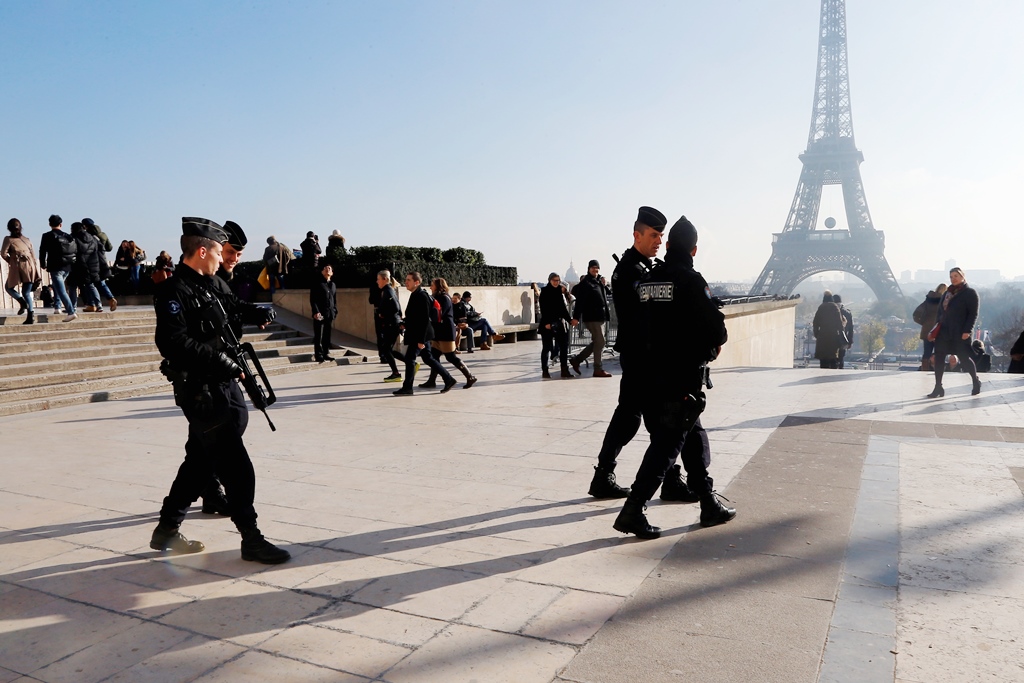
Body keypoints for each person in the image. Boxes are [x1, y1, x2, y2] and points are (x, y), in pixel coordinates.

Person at [149, 217, 288, 564]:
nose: (220, 257)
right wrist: (219, 360)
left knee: (201, 458)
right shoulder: (174, 291)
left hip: (225, 383)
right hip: (202, 390)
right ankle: (251, 537)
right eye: (216, 251)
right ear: (201, 251)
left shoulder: (208, 284)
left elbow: (228, 310)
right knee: (235, 464)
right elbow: (172, 342)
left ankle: (167, 529)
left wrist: (253, 311)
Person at [612, 215, 735, 539]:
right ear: (694, 249)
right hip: (679, 378)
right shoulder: (690, 280)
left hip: (647, 374)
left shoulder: (649, 279)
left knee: (691, 436)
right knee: (668, 443)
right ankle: (633, 509)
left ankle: (708, 502)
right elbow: (717, 330)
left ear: (667, 245)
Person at [587, 206, 671, 500]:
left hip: (646, 354)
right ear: (637, 235)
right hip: (639, 355)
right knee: (632, 417)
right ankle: (604, 475)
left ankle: (669, 478)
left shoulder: (644, 267)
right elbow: (643, 313)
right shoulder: (629, 270)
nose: (658, 241)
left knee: (655, 418)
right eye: (653, 235)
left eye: (661, 235)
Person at [394, 272, 454, 396]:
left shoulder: (422, 296)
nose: (406, 282)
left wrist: (421, 340)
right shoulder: (415, 294)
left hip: (420, 335)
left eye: (409, 280)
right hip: (418, 334)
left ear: (417, 282)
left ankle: (407, 387)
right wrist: (404, 322)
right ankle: (448, 379)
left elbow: (424, 320)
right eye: (406, 280)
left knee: (410, 359)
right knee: (428, 358)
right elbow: (415, 316)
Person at [930, 267, 981, 397]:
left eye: (956, 276)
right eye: (951, 277)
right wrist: (935, 329)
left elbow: (973, 314)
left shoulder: (970, 293)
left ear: (962, 276)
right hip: (944, 331)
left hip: (959, 332)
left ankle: (975, 381)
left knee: (964, 358)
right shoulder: (947, 293)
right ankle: (938, 387)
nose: (953, 279)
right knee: (939, 358)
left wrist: (967, 330)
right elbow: (940, 313)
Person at [421, 278, 477, 390]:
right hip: (437, 332)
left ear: (438, 286)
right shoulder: (437, 297)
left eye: (432, 285)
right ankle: (432, 380)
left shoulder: (444, 298)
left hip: (445, 332)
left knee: (451, 357)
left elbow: (439, 314)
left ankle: (470, 376)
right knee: (434, 356)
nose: (430, 287)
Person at [569, 259, 612, 378]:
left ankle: (577, 360)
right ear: (588, 269)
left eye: (597, 268)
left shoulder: (597, 281)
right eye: (593, 267)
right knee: (601, 341)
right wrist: (576, 317)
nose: (595, 269)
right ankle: (597, 369)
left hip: (600, 316)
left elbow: (606, 293)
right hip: (592, 317)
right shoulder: (586, 283)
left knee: (598, 342)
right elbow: (580, 302)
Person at [38, 214, 78, 322]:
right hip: (68, 266)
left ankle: (71, 312)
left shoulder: (46, 236)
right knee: (57, 285)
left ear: (50, 224)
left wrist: (42, 263)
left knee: (61, 290)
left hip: (55, 266)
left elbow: (42, 251)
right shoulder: (68, 236)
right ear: (61, 224)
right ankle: (57, 306)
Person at [2, 218, 40, 325]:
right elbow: (33, 256)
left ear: (9, 228)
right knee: (27, 292)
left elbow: (3, 253)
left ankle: (22, 302)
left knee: (8, 287)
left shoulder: (8, 239)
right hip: (31, 266)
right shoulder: (27, 239)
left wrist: (12, 262)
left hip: (19, 265)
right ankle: (30, 315)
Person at [538, 273, 574, 379]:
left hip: (559, 323)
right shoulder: (544, 291)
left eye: (558, 280)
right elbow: (543, 309)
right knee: (547, 348)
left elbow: (562, 309)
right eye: (554, 280)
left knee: (563, 347)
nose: (556, 282)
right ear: (549, 280)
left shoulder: (559, 292)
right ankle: (545, 370)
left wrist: (569, 320)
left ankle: (564, 370)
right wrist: (547, 323)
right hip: (547, 324)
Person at [373, 270, 405, 382]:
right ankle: (407, 365)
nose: (377, 281)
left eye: (378, 279)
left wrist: (382, 313)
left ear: (385, 279)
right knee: (387, 349)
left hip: (391, 324)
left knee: (386, 349)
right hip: (392, 323)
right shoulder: (387, 290)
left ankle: (397, 373)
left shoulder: (388, 291)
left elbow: (396, 308)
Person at [82, 218, 118, 310]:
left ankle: (92, 304)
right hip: (102, 260)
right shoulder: (103, 234)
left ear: (85, 226)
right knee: (101, 282)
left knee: (89, 283)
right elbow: (109, 248)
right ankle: (109, 298)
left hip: (92, 261)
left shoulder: (87, 235)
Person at [69, 221, 103, 312]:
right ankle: (99, 305)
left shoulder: (72, 238)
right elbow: (98, 249)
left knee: (72, 286)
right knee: (90, 285)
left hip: (76, 265)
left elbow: (70, 251)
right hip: (90, 265)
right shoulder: (92, 238)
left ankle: (73, 307)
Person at [912, 284, 946, 372]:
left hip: (927, 331)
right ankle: (939, 371)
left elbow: (916, 314)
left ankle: (925, 370)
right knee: (940, 353)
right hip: (940, 330)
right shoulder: (945, 301)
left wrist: (924, 323)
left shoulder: (928, 300)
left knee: (927, 353)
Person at [310, 263, 337, 363]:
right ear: (322, 272)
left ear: (332, 273)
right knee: (319, 335)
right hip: (320, 313)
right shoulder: (317, 283)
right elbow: (313, 299)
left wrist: (335, 310)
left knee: (327, 334)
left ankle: (326, 353)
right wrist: (316, 311)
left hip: (329, 313)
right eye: (325, 268)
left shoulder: (333, 285)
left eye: (329, 268)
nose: (327, 269)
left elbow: (334, 299)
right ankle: (318, 354)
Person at [812, 291, 845, 369]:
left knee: (823, 360)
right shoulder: (835, 307)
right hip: (833, 337)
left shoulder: (821, 307)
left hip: (822, 337)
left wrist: (817, 335)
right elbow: (840, 324)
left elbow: (815, 323)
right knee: (833, 359)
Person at [832, 294, 854, 369]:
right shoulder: (847, 313)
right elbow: (851, 329)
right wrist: (850, 342)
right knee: (841, 358)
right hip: (843, 339)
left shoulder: (829, 312)